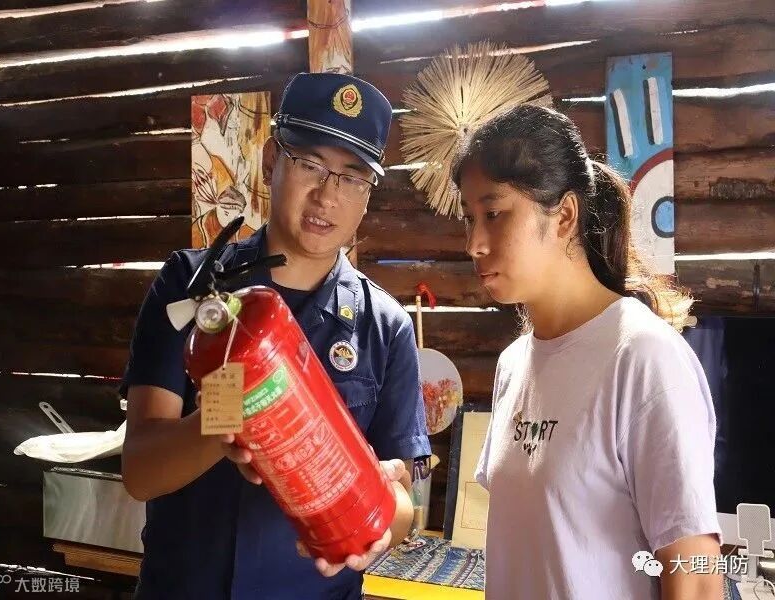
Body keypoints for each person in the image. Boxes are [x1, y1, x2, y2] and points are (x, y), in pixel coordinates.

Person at [120, 72, 431, 600]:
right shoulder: (190, 287)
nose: (327, 195)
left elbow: (403, 505)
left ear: (368, 195)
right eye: (310, 164)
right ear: (271, 162)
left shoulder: (385, 327)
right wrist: (227, 419)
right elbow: (141, 473)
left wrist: (374, 511)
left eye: (353, 177)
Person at [454, 104, 723, 600]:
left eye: (493, 214)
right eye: (469, 219)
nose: (474, 243)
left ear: (565, 216)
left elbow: (698, 577)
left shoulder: (643, 358)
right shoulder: (514, 364)